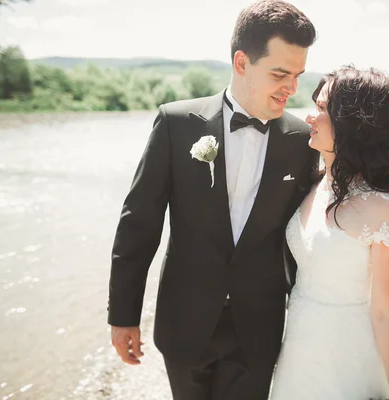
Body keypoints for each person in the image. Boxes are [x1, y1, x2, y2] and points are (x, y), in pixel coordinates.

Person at [106, 1, 318, 399]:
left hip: (258, 328)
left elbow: (303, 238)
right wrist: (123, 316)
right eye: (280, 74)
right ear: (241, 62)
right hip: (184, 322)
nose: (292, 88)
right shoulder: (175, 124)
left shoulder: (302, 142)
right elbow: (139, 223)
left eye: (298, 75)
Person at [270, 65, 389, 400]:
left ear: (354, 125)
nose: (309, 117)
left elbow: (388, 314)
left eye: (322, 109)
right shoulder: (315, 183)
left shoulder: (382, 211)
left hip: (348, 355)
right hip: (298, 351)